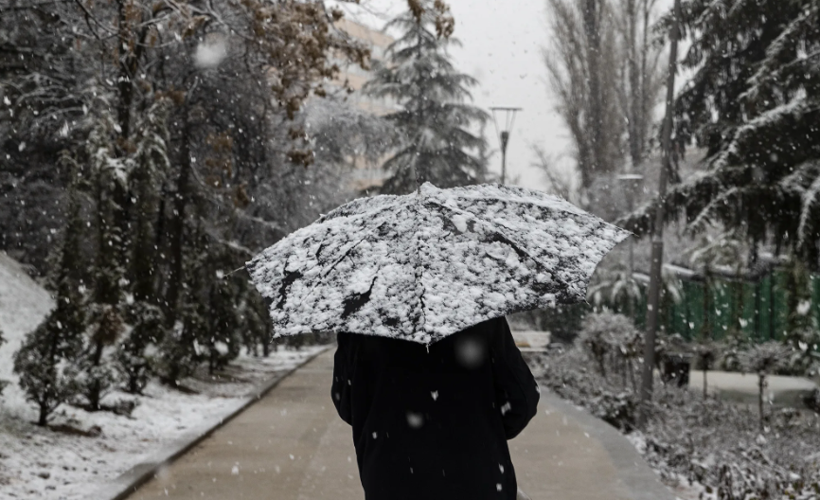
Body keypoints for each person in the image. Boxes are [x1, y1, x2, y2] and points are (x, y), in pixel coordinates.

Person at [331, 316, 540, 500]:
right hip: (477, 479)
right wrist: (480, 431)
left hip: (390, 479)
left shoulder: (360, 318)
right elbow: (520, 402)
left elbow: (347, 404)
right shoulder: (478, 310)